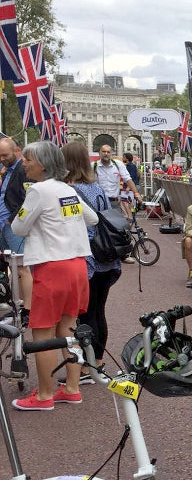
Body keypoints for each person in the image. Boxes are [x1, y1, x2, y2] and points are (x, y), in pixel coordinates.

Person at [10, 141, 98, 411]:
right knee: (69, 328)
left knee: (43, 333)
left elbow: (18, 227)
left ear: (44, 164)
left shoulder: (38, 190)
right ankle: (71, 388)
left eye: (29, 159)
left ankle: (45, 394)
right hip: (77, 265)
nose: (24, 163)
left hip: (52, 267)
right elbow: (92, 218)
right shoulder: (66, 189)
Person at [63, 141, 121, 370]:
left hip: (90, 257)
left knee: (86, 314)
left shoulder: (71, 190)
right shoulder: (96, 186)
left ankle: (88, 364)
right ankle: (97, 358)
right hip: (107, 256)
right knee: (99, 310)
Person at [0, 136, 33, 317]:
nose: (2, 158)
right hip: (3, 224)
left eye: (5, 155)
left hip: (12, 225)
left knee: (21, 266)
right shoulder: (7, 170)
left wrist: (14, 219)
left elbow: (28, 198)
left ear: (16, 151)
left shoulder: (22, 169)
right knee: (8, 265)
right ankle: (16, 302)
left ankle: (27, 308)